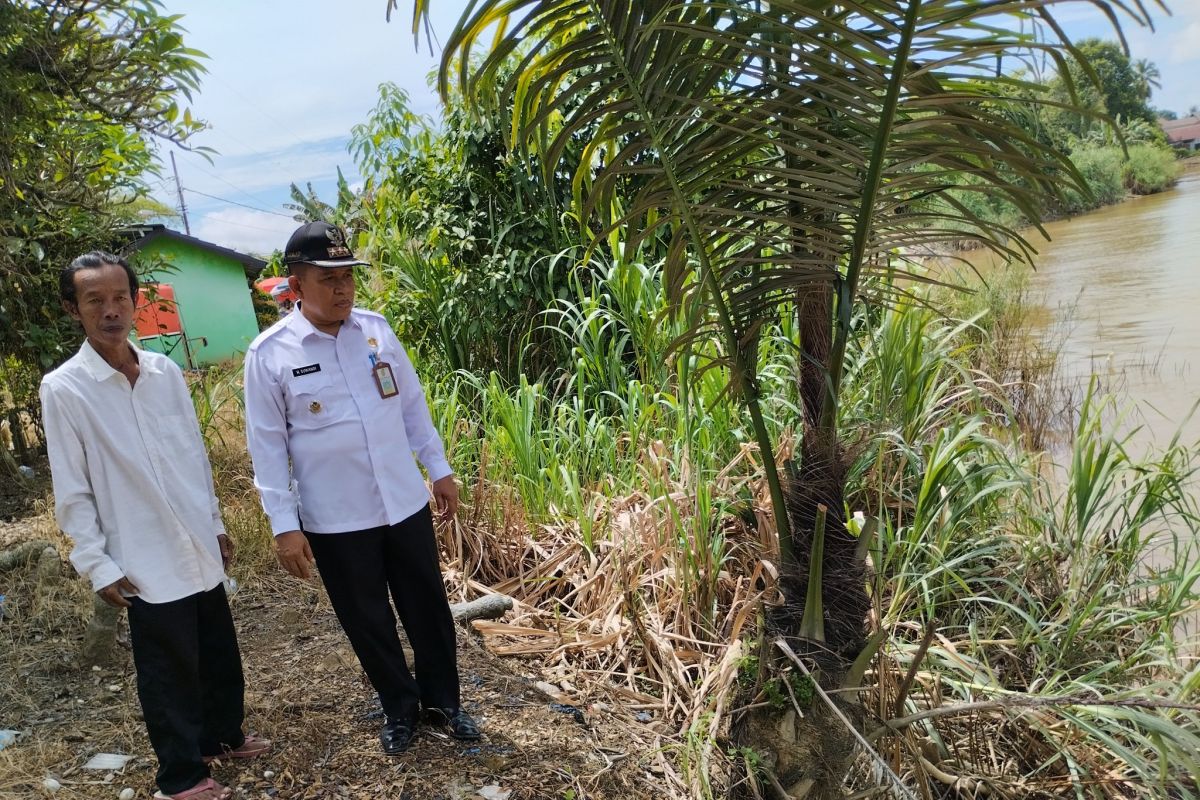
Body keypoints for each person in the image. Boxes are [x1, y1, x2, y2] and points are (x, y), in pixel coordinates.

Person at [242, 222, 480, 755]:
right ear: (296, 285)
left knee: (428, 607)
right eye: (328, 278)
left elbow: (412, 406)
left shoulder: (376, 331)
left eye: (348, 275)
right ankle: (400, 708)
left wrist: (438, 468)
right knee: (368, 620)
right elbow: (267, 448)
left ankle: (444, 703)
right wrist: (285, 527)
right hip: (336, 518)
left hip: (402, 501)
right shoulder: (270, 354)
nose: (343, 287)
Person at [40, 252, 270, 800]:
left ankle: (223, 735)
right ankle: (181, 775)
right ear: (75, 310)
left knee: (216, 647)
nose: (111, 310)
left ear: (136, 300)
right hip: (141, 550)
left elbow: (192, 455)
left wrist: (215, 523)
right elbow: (73, 489)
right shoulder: (66, 388)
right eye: (95, 300)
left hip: (196, 537)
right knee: (168, 670)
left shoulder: (164, 372)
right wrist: (96, 563)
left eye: (121, 297)